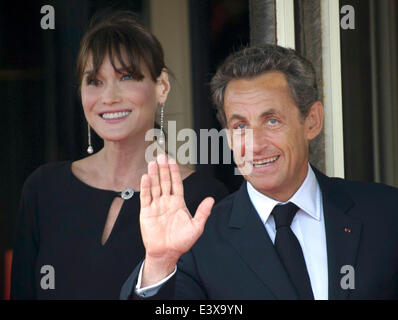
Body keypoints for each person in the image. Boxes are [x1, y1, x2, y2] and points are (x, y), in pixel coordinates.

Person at [120, 45, 398, 300]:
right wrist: (159, 263)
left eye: (272, 121)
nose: (255, 145)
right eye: (240, 127)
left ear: (312, 121)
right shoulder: (197, 244)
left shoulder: (386, 213)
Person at [10, 10, 228, 299]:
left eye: (126, 77)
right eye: (94, 81)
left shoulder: (205, 199)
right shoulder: (42, 190)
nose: (109, 97)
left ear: (161, 87)